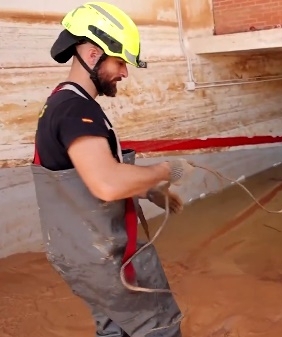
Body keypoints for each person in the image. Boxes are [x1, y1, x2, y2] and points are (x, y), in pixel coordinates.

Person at [30, 2, 194, 336]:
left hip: (82, 257)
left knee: (113, 327)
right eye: (119, 62)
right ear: (93, 55)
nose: (124, 72)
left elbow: (86, 175)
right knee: (158, 325)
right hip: (106, 260)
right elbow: (106, 183)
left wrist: (148, 191)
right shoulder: (75, 110)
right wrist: (164, 170)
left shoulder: (63, 103)